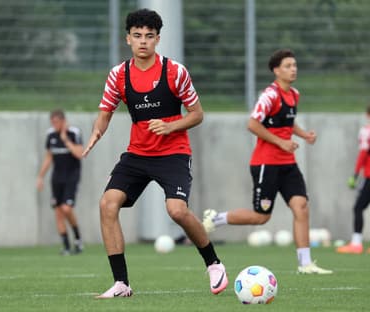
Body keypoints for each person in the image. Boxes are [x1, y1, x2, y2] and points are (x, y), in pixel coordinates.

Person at [82, 8, 228, 298]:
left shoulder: (175, 72)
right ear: (128, 39)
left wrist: (171, 125)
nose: (143, 41)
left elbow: (197, 115)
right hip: (137, 154)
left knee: (176, 210)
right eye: (137, 36)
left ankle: (213, 263)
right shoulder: (118, 75)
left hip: (173, 153)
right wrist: (97, 132)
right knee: (107, 205)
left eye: (149, 36)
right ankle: (121, 284)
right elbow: (106, 112)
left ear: (158, 39)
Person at [203, 49, 332, 274]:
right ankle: (217, 218)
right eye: (288, 66)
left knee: (301, 207)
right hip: (266, 164)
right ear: (276, 70)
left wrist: (304, 136)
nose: (293, 69)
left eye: (295, 65)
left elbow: (288, 122)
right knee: (261, 217)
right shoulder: (269, 96)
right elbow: (253, 124)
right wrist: (280, 142)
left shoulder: (294, 94)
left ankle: (305, 263)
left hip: (288, 164)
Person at [37, 109, 84, 255]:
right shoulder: (50, 135)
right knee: (58, 211)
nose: (54, 125)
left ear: (63, 121)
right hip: (56, 178)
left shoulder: (74, 133)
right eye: (52, 122)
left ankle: (77, 239)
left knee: (67, 209)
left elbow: (79, 153)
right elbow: (49, 157)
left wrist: (65, 140)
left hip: (71, 176)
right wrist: (40, 177)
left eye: (56, 122)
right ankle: (66, 246)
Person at [337, 105, 370, 254]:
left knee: (358, 207)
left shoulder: (366, 131)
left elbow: (363, 153)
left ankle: (356, 244)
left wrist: (355, 175)